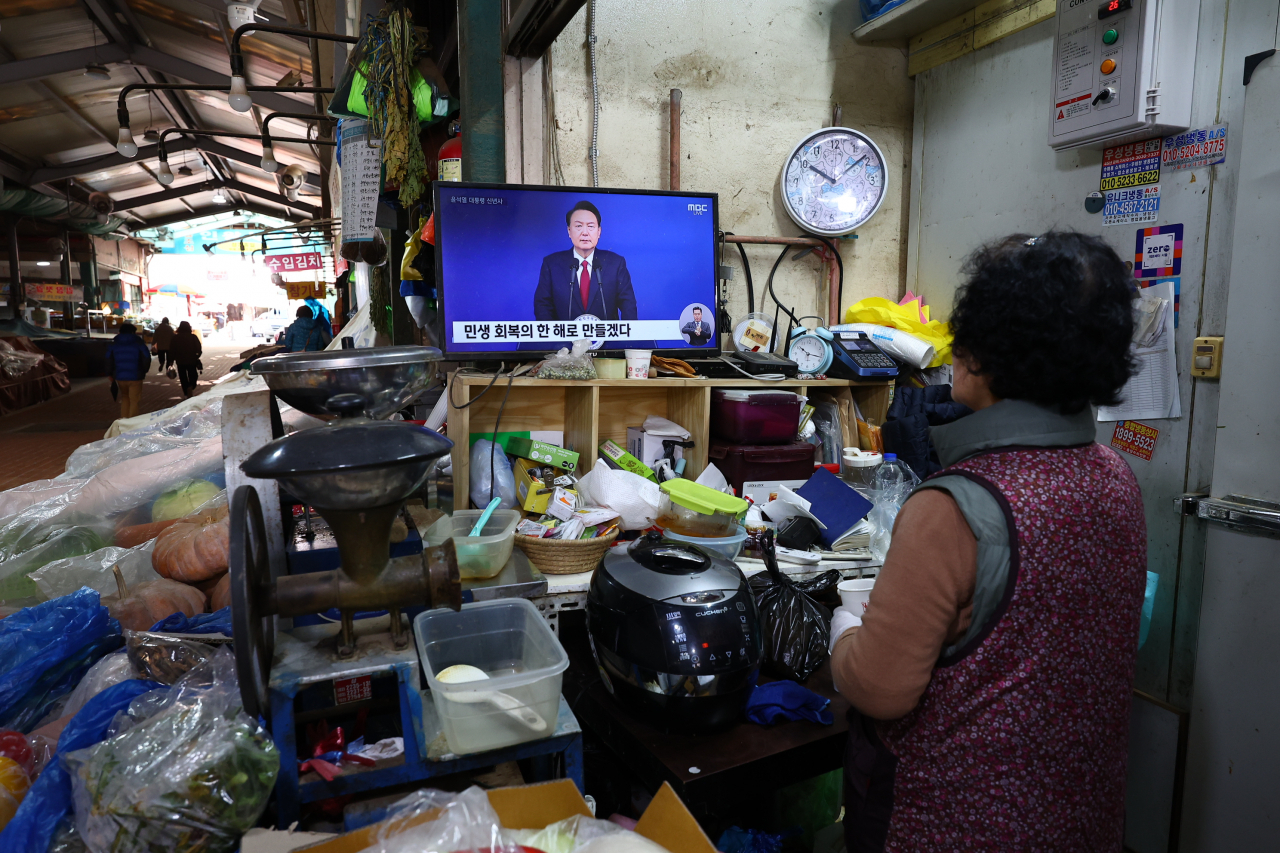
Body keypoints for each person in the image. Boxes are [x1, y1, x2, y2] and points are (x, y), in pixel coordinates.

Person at [829, 232, 1145, 852]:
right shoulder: (1115, 477)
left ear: (982, 353)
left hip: (954, 823)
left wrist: (844, 632)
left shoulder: (955, 506)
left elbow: (880, 689)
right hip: (1081, 815)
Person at [533, 201, 637, 322]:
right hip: (563, 339)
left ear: (599, 232)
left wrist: (627, 339)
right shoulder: (552, 264)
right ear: (569, 231)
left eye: (590, 226)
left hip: (607, 339)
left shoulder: (616, 263)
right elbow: (542, 306)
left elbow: (628, 305)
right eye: (578, 226)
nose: (585, 232)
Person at [104, 322, 151, 419]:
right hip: (136, 376)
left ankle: (124, 420)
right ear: (133, 332)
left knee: (125, 397)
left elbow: (108, 358)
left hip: (120, 376)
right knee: (134, 400)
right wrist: (144, 370)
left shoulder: (114, 343)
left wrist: (109, 373)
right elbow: (146, 357)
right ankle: (131, 423)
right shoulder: (138, 342)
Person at [169, 320, 203, 397]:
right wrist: (197, 356)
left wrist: (171, 360)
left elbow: (172, 350)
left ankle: (186, 392)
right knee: (193, 375)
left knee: (183, 376)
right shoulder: (193, 337)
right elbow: (199, 348)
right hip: (191, 360)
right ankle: (191, 386)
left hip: (180, 361)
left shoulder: (175, 338)